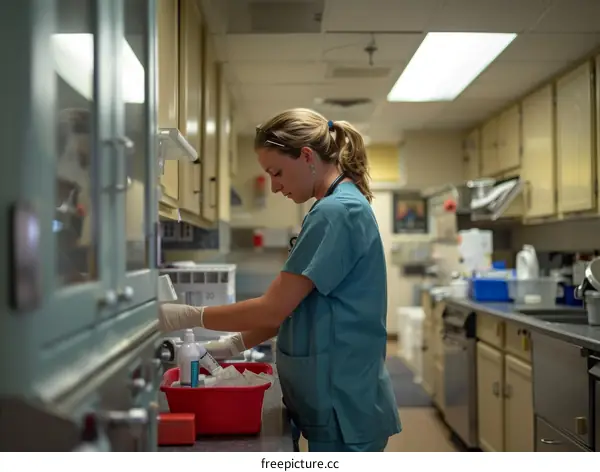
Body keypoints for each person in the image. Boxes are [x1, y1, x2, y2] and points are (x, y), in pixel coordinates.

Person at [158, 108, 402, 452]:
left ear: (306, 156)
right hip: (339, 399)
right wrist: (232, 345)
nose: (274, 186)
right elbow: (296, 308)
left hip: (343, 406)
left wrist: (188, 316)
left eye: (277, 172)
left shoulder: (336, 213)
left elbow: (272, 310)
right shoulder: (335, 207)